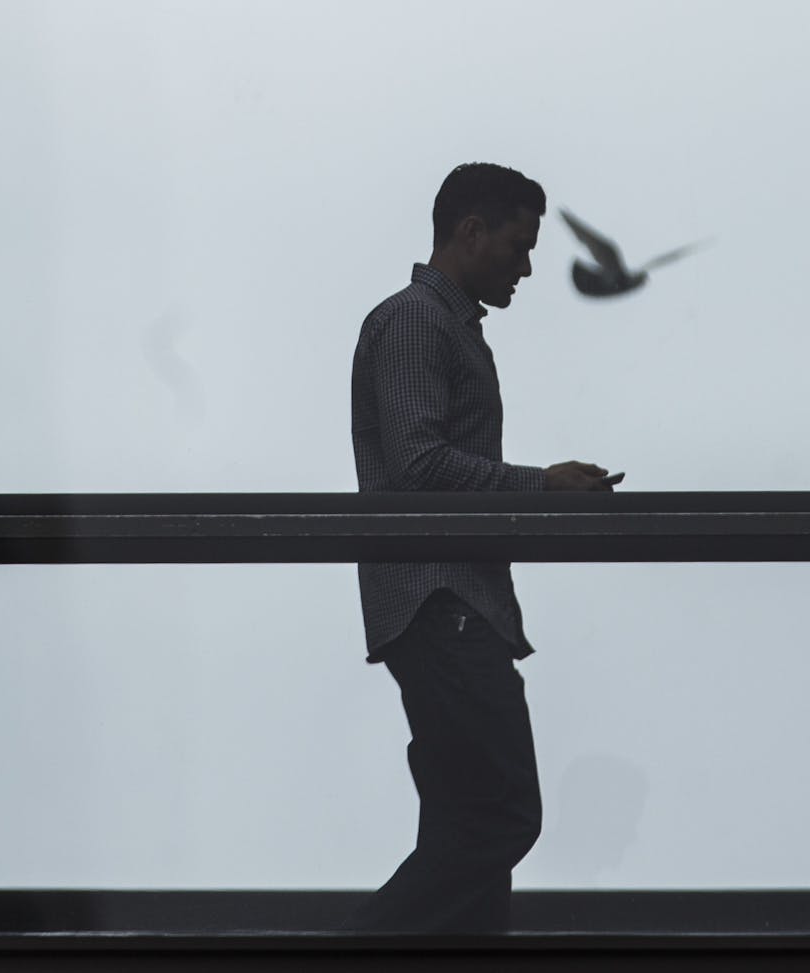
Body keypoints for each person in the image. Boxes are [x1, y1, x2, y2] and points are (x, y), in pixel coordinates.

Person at [345, 163, 618, 933]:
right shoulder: (413, 321)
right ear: (470, 231)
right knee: (500, 816)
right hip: (443, 603)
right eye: (518, 244)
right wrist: (544, 486)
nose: (529, 265)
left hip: (451, 605)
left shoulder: (440, 325)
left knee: (466, 827)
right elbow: (417, 464)